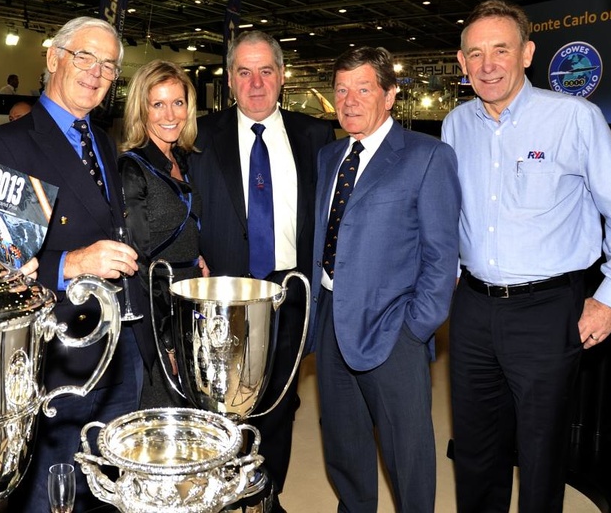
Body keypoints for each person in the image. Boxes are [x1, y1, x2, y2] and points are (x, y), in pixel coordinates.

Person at [441, 0, 611, 513]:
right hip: (471, 309)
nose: (488, 64)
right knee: (474, 447)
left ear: (527, 53)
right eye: (476, 53)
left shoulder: (574, 118)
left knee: (541, 449)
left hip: (547, 310)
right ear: (462, 62)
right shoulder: (454, 124)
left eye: (501, 50)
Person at [0, 17, 145, 513]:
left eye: (109, 66)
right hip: (54, 353)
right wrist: (68, 262)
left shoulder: (105, 142)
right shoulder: (8, 144)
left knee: (110, 482)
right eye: (84, 57)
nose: (96, 73)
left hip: (116, 344)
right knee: (54, 490)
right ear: (53, 58)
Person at [310, 46, 460, 512]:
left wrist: (415, 329)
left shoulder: (427, 156)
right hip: (332, 320)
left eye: (363, 89)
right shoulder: (329, 156)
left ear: (390, 94)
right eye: (341, 90)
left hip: (393, 327)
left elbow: (442, 255)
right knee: (344, 446)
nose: (349, 100)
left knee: (406, 452)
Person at [189, 30, 334, 512]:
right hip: (223, 295)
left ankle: (265, 498)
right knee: (220, 406)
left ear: (282, 76)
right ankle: (222, 499)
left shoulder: (314, 135)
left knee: (279, 403)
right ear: (230, 80)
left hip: (290, 292)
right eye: (244, 73)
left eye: (266, 71)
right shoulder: (199, 136)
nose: (256, 83)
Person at [117, 59, 209, 408]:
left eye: (178, 102)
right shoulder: (132, 167)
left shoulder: (180, 160)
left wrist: (194, 255)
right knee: (162, 420)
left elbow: (173, 227)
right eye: (158, 104)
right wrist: (166, 340)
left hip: (189, 301)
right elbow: (138, 263)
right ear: (142, 110)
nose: (170, 114)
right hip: (158, 313)